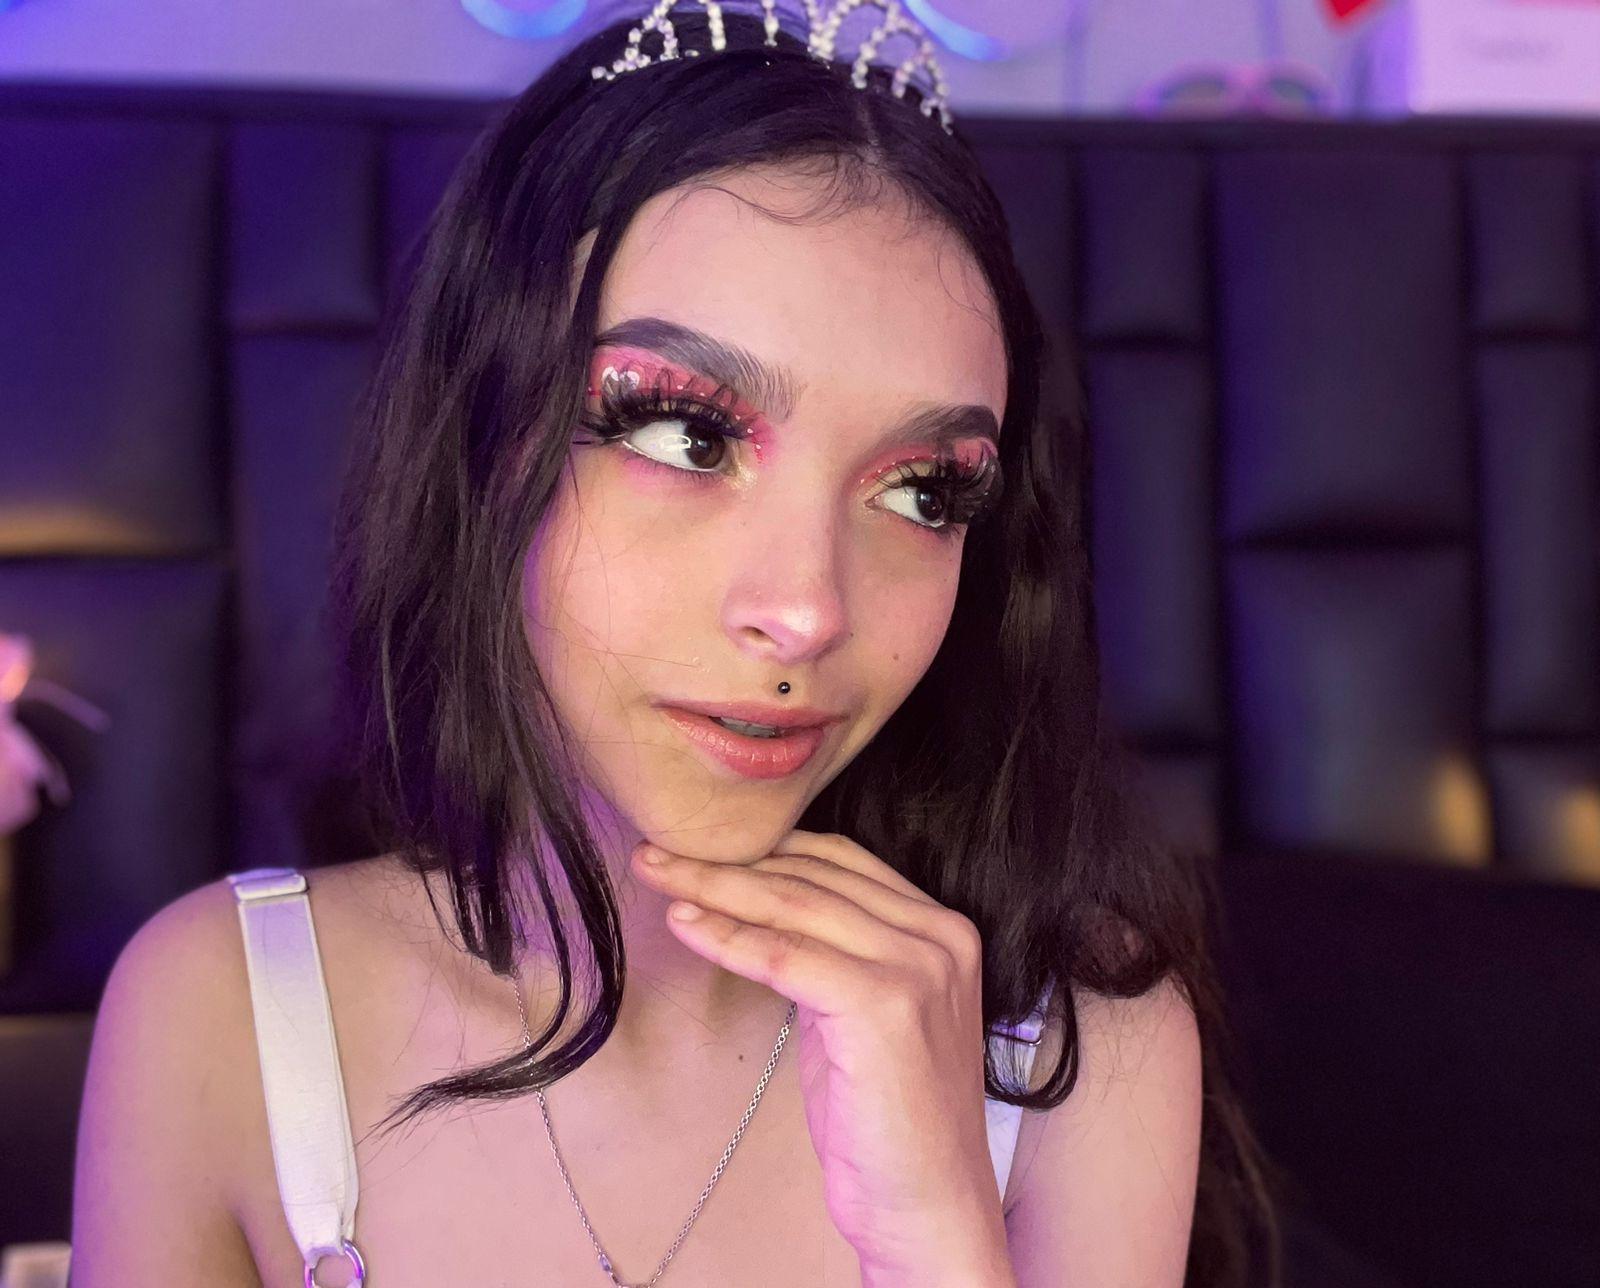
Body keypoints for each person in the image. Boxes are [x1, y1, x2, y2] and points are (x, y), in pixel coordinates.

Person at [69, 3, 1280, 1285]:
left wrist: (938, 1238)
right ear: (483, 442)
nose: (807, 610)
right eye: (685, 435)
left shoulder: (1084, 1042)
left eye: (925, 489)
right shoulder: (226, 1017)